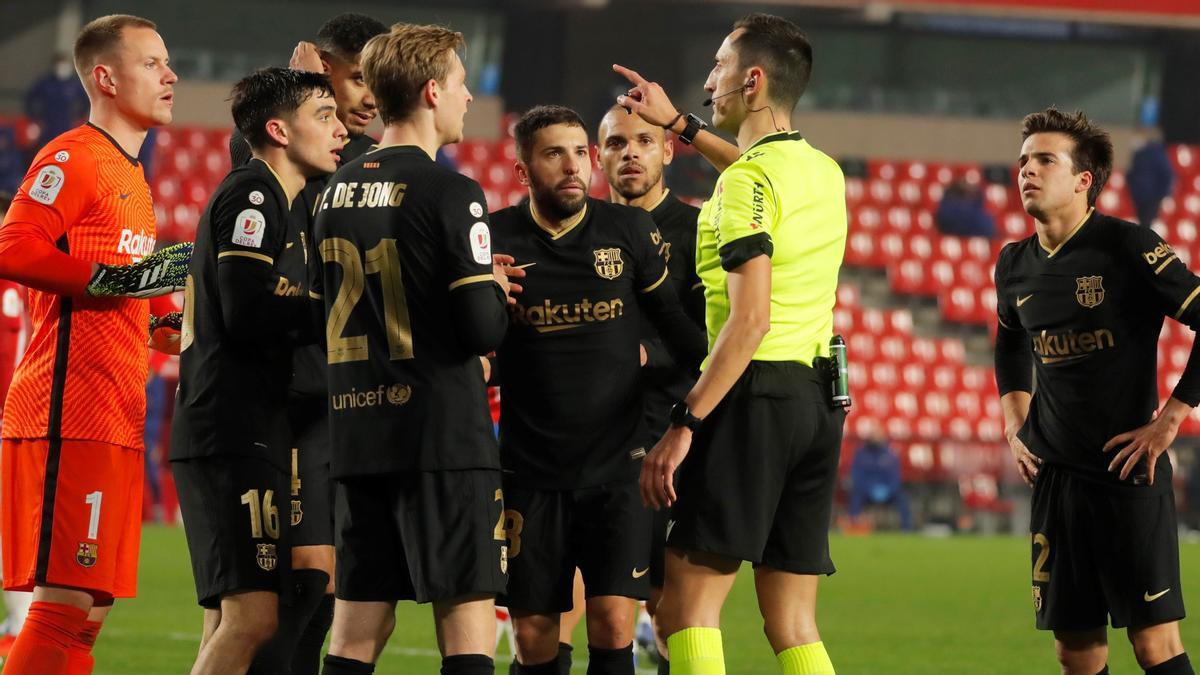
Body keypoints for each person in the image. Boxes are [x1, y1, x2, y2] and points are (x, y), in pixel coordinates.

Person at [616, 12, 848, 674]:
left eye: (719, 65)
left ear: (752, 79)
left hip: (755, 396)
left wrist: (685, 422)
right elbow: (752, 167)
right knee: (792, 619)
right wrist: (681, 127)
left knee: (684, 607)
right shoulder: (822, 171)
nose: (708, 77)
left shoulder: (747, 182)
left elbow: (750, 321)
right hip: (818, 401)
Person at [312, 23, 518, 675]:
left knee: (353, 632)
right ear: (432, 91)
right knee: (467, 628)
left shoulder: (334, 191)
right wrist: (492, 286)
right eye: (461, 84)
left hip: (360, 435)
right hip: (443, 442)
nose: (466, 98)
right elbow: (481, 329)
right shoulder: (452, 192)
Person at [0, 15, 190, 675]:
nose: (171, 76)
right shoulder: (72, 156)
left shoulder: (133, 180)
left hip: (114, 419)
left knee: (85, 621)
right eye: (153, 63)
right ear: (105, 78)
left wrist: (186, 329)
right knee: (61, 614)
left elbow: (134, 308)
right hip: (65, 416)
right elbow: (13, 246)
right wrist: (118, 279)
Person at [488, 104, 706, 675]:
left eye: (581, 152)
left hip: (619, 468)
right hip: (530, 469)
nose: (572, 166)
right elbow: (472, 346)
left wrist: (666, 371)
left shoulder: (627, 231)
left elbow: (688, 338)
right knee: (534, 636)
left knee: (612, 622)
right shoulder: (493, 238)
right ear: (523, 170)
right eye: (554, 153)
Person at [995, 107, 1197, 675]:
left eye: (1044, 160)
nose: (1026, 171)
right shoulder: (1014, 264)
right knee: (1075, 651)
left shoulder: (1126, 247)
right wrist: (1015, 421)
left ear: (1084, 180)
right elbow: (1010, 343)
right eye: (1022, 161)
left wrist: (1170, 420)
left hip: (1127, 475)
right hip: (1055, 481)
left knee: (1153, 644)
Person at [225, 14, 388, 675]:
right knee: (294, 589)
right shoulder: (285, 156)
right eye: (357, 76)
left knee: (336, 590)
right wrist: (301, 83)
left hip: (347, 396)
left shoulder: (369, 155)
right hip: (287, 398)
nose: (371, 93)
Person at [170, 67, 346, 675]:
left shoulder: (285, 201)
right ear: (277, 129)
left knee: (234, 619)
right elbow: (246, 309)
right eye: (323, 115)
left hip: (248, 428)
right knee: (251, 617)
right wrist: (348, 311)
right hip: (230, 429)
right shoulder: (253, 193)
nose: (341, 128)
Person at [596, 104, 705, 675]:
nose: (630, 152)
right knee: (584, 607)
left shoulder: (698, 230)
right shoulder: (580, 229)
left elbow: (715, 335)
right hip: (585, 435)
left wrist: (646, 354)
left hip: (670, 434)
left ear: (668, 150)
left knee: (670, 608)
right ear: (599, 157)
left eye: (644, 140)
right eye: (616, 143)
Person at [0, 191, 32, 662]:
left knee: (12, 526)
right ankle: (17, 625)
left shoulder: (23, 277)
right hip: (17, 413)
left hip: (15, 414)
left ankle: (18, 628)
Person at [846, 427, 912, 531]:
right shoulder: (861, 454)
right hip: (866, 491)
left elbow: (895, 477)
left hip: (888, 491)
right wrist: (869, 489)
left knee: (903, 500)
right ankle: (854, 527)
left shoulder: (891, 454)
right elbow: (857, 476)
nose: (875, 438)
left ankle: (906, 529)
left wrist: (888, 490)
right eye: (873, 435)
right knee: (855, 497)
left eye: (877, 435)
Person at [24, 53, 90, 154]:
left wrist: (79, 116)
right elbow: (30, 98)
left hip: (66, 124)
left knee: (64, 150)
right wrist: (34, 118)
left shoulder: (74, 84)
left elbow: (86, 101)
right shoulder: (46, 82)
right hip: (46, 123)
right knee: (45, 150)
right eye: (60, 64)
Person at [1128, 126, 1175, 228]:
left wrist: (1162, 194)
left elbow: (1167, 174)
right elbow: (1133, 174)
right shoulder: (1138, 154)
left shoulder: (1156, 153)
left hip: (1151, 198)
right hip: (1139, 197)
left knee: (1146, 225)